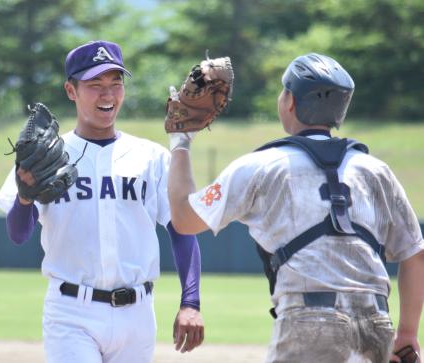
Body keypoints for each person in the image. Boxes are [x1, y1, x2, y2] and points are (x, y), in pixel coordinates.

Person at [167, 53, 424, 362]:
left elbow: (183, 219)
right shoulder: (375, 170)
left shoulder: (260, 165)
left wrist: (181, 140)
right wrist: (408, 334)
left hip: (309, 321)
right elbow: (415, 254)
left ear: (289, 101)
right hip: (375, 323)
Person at [0, 40, 204, 363]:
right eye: (95, 85)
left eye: (115, 82)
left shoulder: (150, 158)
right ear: (71, 90)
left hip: (137, 316)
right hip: (71, 312)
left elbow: (181, 229)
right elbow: (18, 234)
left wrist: (191, 301)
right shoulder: (47, 156)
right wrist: (24, 197)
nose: (108, 95)